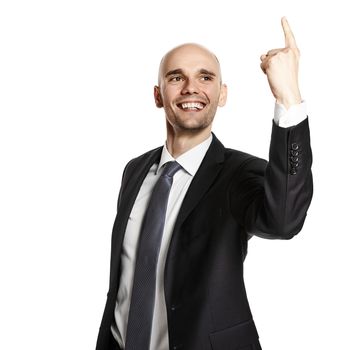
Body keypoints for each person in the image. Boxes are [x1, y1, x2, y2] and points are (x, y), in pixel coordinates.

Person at [96, 17, 313, 350]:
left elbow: (284, 221)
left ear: (221, 94)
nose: (190, 88)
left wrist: (289, 97)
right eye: (176, 77)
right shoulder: (135, 170)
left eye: (205, 77)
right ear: (158, 95)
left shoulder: (238, 173)